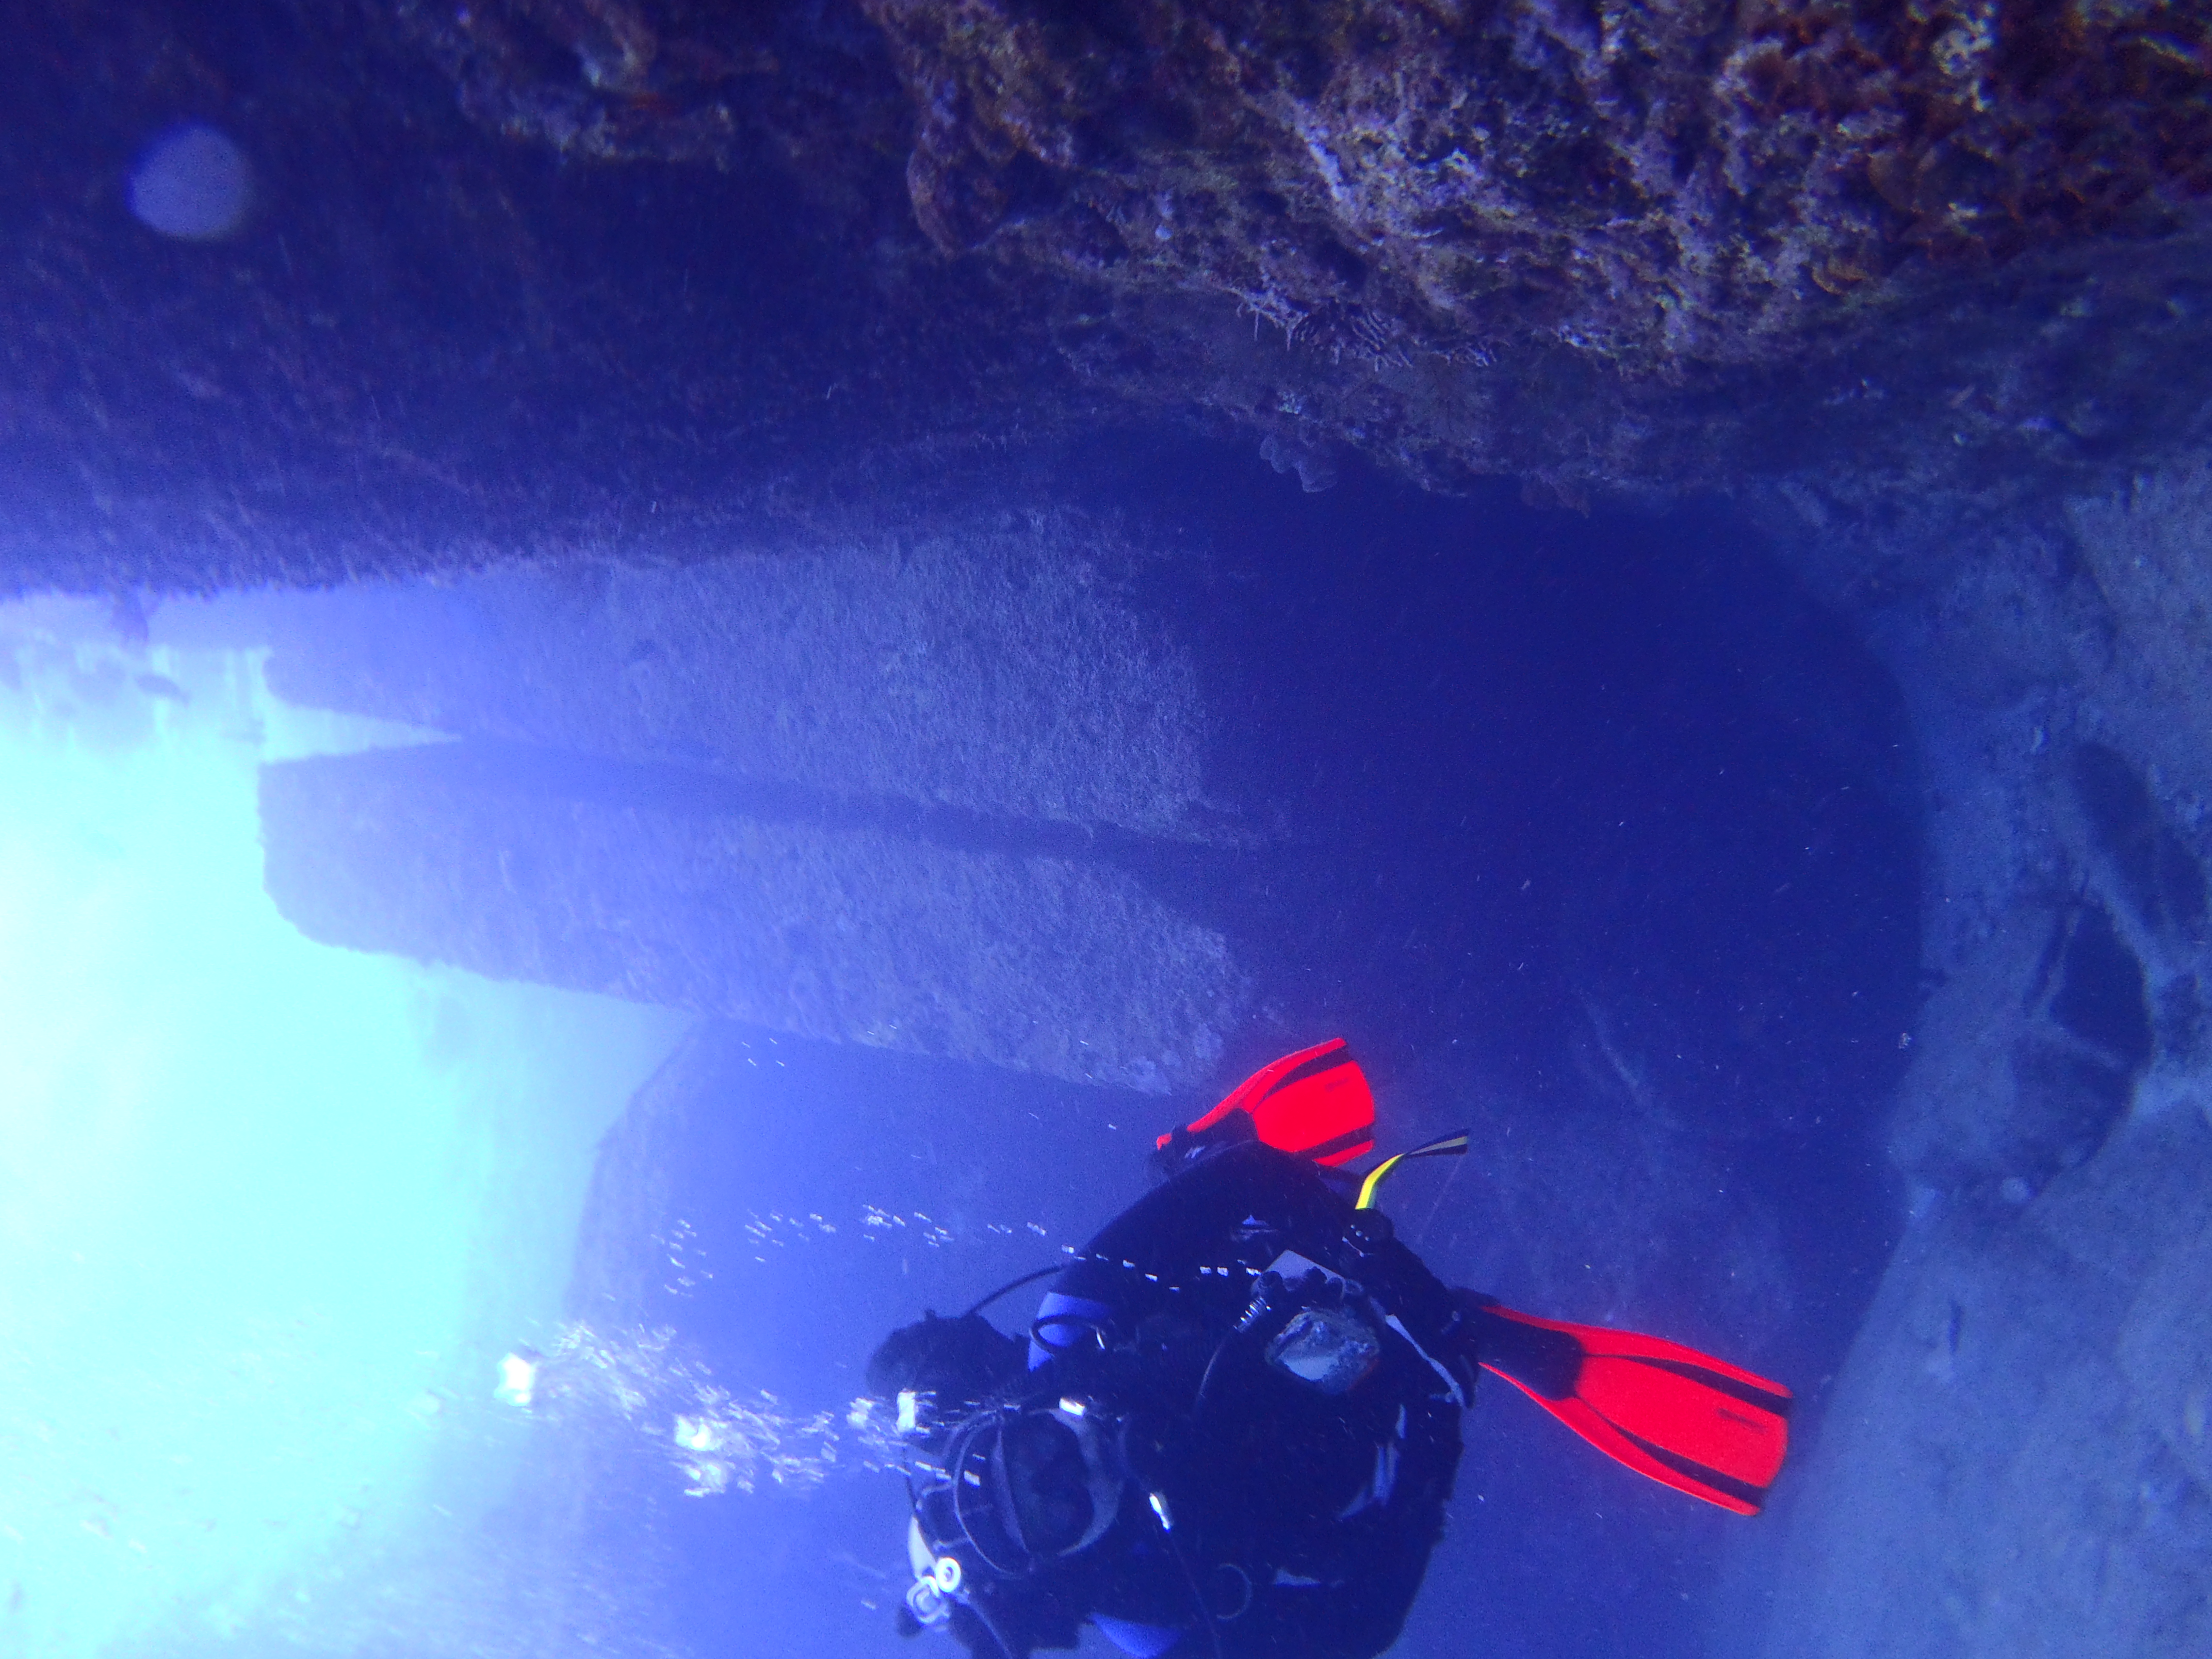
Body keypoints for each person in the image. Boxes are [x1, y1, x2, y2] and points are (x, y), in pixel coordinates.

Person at [867, 1040, 1792, 1659]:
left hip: (1247, 1322)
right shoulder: (1149, 1616)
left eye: (1037, 1456)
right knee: (1391, 1348)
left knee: (1238, 1220)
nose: (1080, 1468)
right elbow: (1357, 1627)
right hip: (1316, 1460)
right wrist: (1435, 1427)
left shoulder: (1073, 1327)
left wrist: (1378, 1266)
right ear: (1060, 1566)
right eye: (1060, 1508)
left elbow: (1252, 1178)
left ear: (1012, 1421)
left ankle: (1189, 1164)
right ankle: (1474, 1340)